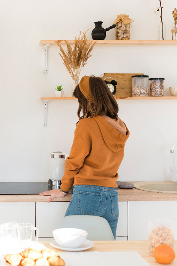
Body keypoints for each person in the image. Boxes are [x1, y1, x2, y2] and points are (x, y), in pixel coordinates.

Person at [39, 76, 129, 238]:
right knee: (106, 250)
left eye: (81, 100)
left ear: (89, 100)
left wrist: (63, 189)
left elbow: (74, 162)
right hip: (111, 197)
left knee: (68, 244)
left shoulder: (87, 125)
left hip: (88, 195)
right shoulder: (120, 125)